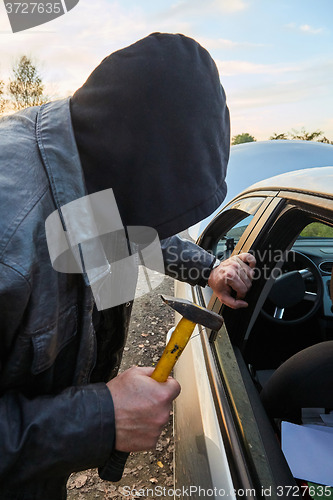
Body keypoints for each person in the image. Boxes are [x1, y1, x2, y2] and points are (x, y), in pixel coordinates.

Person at [0, 32, 255, 499]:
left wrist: (208, 269)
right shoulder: (9, 228)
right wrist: (100, 419)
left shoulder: (87, 156)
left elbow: (133, 225)